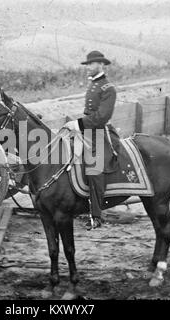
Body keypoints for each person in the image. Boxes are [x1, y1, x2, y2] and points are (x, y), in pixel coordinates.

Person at [62, 50, 117, 230]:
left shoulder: (108, 88)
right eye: (87, 65)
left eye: (91, 65)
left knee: (94, 170)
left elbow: (101, 117)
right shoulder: (93, 84)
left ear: (101, 64)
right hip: (88, 130)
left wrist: (77, 124)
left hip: (99, 133)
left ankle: (96, 215)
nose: (88, 68)